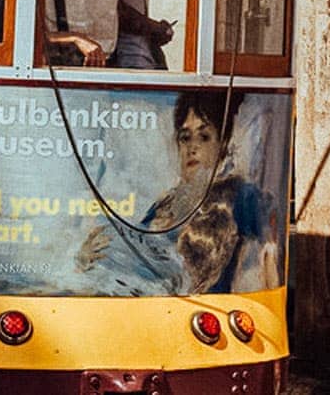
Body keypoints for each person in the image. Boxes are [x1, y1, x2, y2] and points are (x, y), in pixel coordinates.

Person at [75, 93, 269, 294]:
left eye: (204, 137)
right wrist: (90, 257)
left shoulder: (240, 195)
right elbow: (139, 254)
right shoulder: (167, 203)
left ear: (222, 144)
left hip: (201, 311)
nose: (192, 148)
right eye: (185, 138)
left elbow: (269, 253)